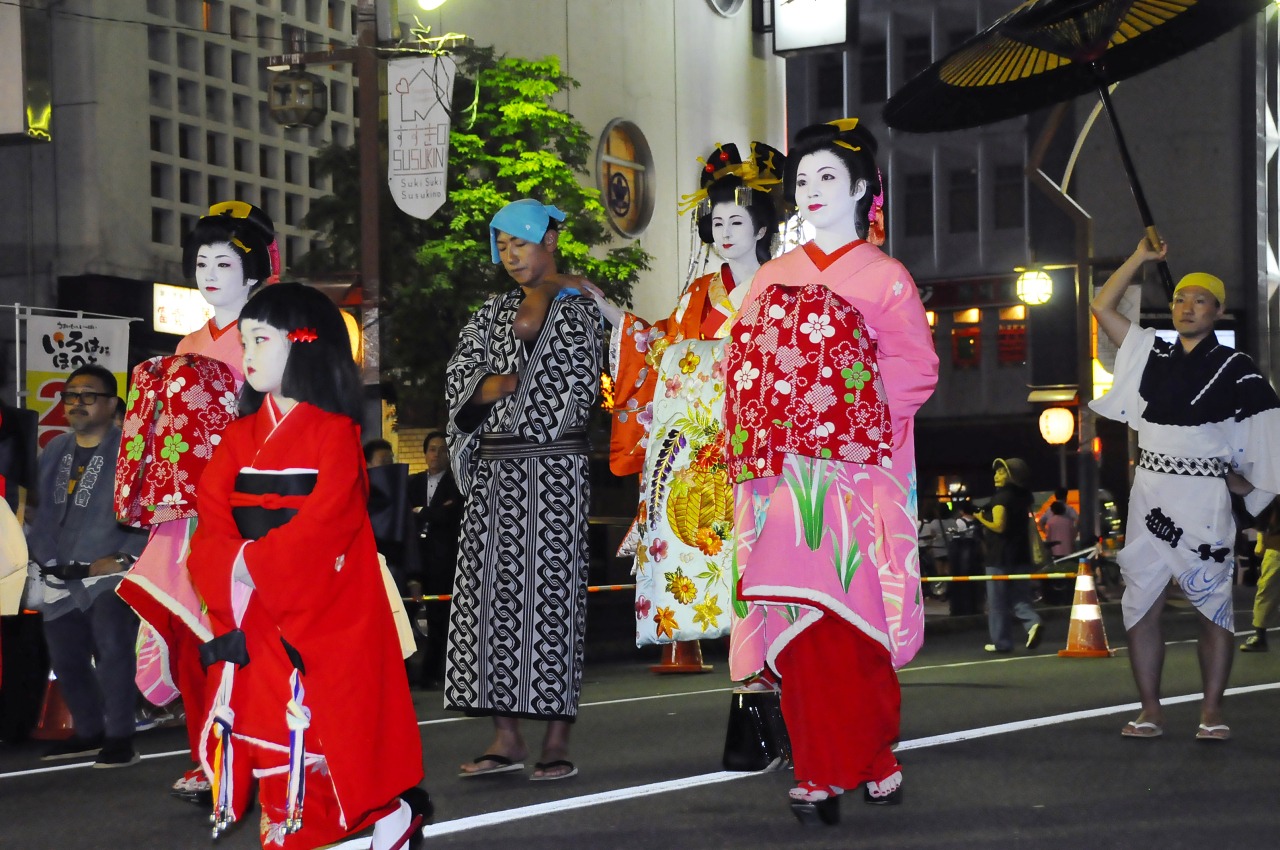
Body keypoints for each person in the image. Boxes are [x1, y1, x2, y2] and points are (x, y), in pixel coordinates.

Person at [724, 118, 938, 822]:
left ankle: (873, 752)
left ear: (862, 190)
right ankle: (818, 765)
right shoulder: (771, 278)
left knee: (858, 619)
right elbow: (743, 371)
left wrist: (849, 419)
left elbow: (914, 371)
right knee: (800, 621)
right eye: (803, 179)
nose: (811, 191)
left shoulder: (886, 278)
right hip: (785, 481)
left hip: (854, 476)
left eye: (827, 178)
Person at [187, 283, 427, 848]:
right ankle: (346, 826)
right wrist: (241, 563)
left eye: (262, 340)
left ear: (305, 346)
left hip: (318, 613)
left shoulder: (334, 437)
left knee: (320, 731)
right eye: (245, 340)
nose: (248, 354)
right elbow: (211, 517)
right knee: (267, 730)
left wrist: (253, 564)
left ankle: (370, 820)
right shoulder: (238, 437)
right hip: (254, 610)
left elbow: (326, 525)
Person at [580, 142, 786, 679]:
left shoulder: (786, 289)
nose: (724, 232)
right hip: (700, 440)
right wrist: (615, 318)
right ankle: (685, 634)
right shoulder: (698, 293)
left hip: (759, 435)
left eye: (737, 220)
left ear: (762, 227)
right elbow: (662, 349)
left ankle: (773, 636)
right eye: (717, 221)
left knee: (763, 538)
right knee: (683, 528)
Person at [115, 201, 276, 804]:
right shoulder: (188, 339)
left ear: (256, 267)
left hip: (240, 506)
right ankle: (205, 754)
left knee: (234, 634)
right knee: (186, 632)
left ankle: (247, 751)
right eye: (201, 261)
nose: (209, 273)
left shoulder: (269, 331)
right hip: (184, 511)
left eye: (224, 261)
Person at [1090, 237, 1280, 741]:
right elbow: (1101, 305)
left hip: (1203, 500)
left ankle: (1212, 711)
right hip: (1149, 491)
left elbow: (1264, 431)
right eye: (1179, 298)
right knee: (1141, 603)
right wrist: (1138, 258)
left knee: (1212, 605)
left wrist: (1251, 482)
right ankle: (1149, 709)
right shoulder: (1152, 350)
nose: (1186, 307)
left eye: (1199, 300)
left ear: (1217, 311)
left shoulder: (1238, 369)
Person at [445, 199, 601, 781]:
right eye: (502, 246)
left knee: (553, 603)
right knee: (491, 605)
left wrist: (509, 391)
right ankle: (505, 736)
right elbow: (463, 378)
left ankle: (556, 737)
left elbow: (574, 386)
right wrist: (490, 389)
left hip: (555, 471)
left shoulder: (580, 307)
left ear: (551, 240)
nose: (511, 256)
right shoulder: (489, 311)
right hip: (494, 475)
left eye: (522, 243)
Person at [25, 364, 146, 766]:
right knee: (67, 656)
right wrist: (38, 555)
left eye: (88, 395)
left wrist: (125, 556)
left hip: (110, 569)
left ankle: (120, 737)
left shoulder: (132, 450)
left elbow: (153, 513)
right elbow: (41, 509)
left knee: (113, 648)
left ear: (113, 403)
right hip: (59, 568)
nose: (76, 403)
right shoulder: (56, 448)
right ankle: (89, 730)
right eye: (70, 395)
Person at [407, 430, 462, 686]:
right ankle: (405, 674)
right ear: (425, 453)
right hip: (415, 556)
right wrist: (430, 512)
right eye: (432, 449)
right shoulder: (413, 482)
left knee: (440, 619)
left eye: (442, 450)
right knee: (405, 615)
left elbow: (448, 516)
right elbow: (408, 516)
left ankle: (431, 674)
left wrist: (422, 511)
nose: (436, 454)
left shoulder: (456, 484)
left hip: (443, 559)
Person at [975, 458, 1043, 653]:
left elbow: (999, 525)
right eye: (996, 472)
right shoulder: (1024, 498)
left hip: (999, 557)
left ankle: (1001, 642)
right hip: (1021, 556)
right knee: (1020, 597)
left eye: (1001, 472)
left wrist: (980, 518)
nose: (996, 475)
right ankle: (1033, 623)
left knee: (997, 603)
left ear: (1012, 476)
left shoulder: (1001, 498)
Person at [1241, 498, 1280, 651]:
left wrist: (1261, 544)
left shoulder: (1273, 492)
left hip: (1276, 549)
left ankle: (1260, 637)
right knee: (1266, 593)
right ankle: (1260, 637)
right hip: (1276, 548)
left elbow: (1262, 522)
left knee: (1266, 593)